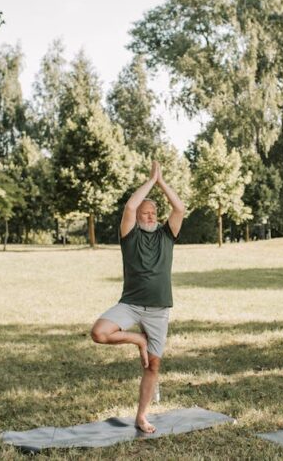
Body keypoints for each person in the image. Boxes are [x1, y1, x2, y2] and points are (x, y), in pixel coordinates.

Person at [90, 161, 184, 433]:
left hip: (158, 310)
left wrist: (161, 182)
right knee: (99, 332)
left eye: (153, 212)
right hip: (130, 305)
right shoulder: (129, 236)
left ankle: (141, 416)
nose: (150, 215)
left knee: (152, 365)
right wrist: (149, 182)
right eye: (145, 212)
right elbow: (130, 207)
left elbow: (179, 208)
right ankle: (137, 339)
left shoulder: (167, 236)